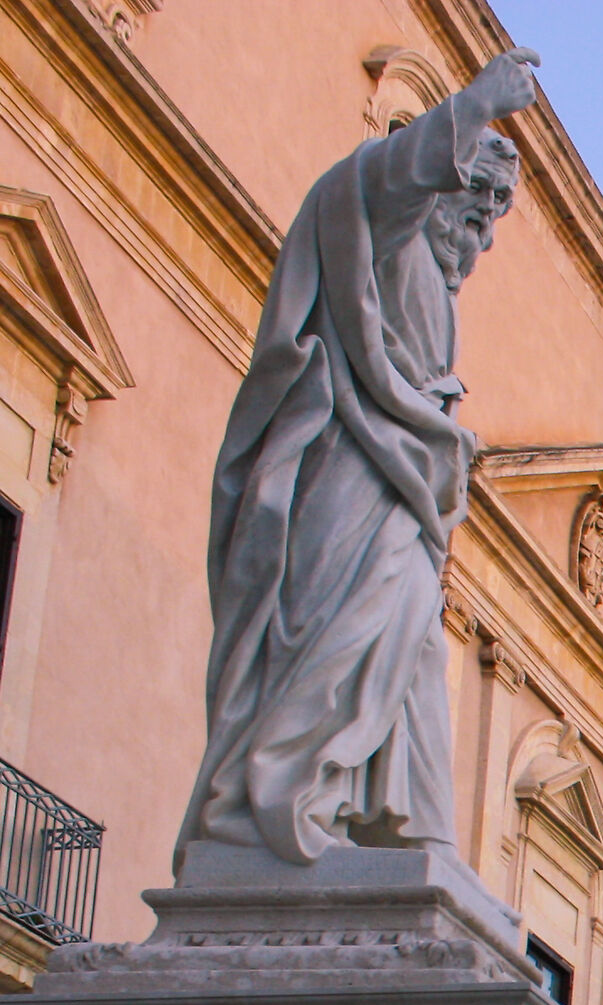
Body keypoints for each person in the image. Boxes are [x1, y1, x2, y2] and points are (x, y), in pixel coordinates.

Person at [175, 48, 542, 873]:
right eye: (479, 200)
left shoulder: (437, 285)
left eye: (496, 211)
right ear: (442, 179)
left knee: (408, 646)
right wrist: (475, 106)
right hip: (352, 468)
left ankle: (407, 833)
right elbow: (389, 183)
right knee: (334, 634)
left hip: (409, 491)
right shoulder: (383, 227)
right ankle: (279, 800)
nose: (484, 227)